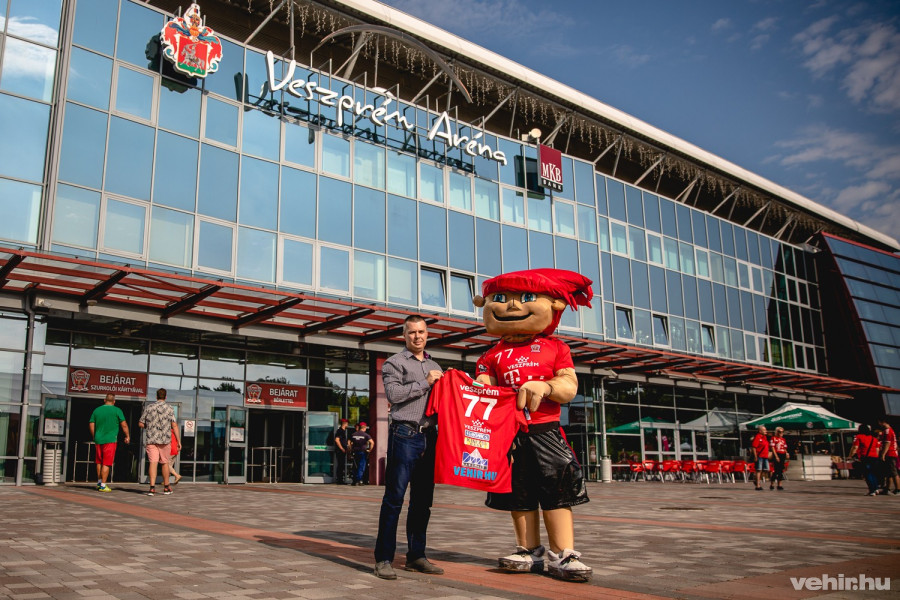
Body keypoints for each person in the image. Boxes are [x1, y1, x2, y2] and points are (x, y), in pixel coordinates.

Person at [472, 269, 593, 582]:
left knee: (557, 491)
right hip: (510, 434)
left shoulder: (556, 348)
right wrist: (475, 386)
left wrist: (547, 386)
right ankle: (528, 550)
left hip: (545, 430)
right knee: (518, 492)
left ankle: (564, 553)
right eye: (501, 298)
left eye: (526, 297)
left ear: (554, 305)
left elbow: (569, 385)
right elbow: (484, 388)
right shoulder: (491, 355)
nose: (512, 305)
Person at [373, 315, 444, 580]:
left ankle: (416, 556)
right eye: (412, 332)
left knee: (423, 502)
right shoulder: (395, 363)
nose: (417, 336)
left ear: (427, 334)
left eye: (421, 332)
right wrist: (426, 382)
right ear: (404, 335)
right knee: (394, 499)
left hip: (430, 436)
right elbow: (394, 396)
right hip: (404, 434)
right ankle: (383, 559)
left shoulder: (435, 365)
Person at [138, 388, 180, 496]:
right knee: (165, 463)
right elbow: (174, 425)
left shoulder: (149, 407)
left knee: (153, 463)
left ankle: (152, 488)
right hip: (165, 440)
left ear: (156, 397)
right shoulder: (170, 408)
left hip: (151, 440)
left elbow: (140, 423)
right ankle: (166, 487)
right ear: (165, 397)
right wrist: (178, 441)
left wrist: (149, 426)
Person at [88, 393, 130, 492]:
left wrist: (94, 436)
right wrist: (127, 436)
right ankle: (103, 485)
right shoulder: (117, 410)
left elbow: (91, 424)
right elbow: (124, 425)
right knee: (106, 462)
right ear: (114, 401)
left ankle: (99, 482)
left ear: (104, 400)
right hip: (110, 440)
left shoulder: (97, 410)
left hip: (98, 439)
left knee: (99, 461)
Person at [849, 424, 882, 496]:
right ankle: (876, 489)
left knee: (867, 474)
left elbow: (855, 447)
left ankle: (872, 490)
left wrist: (850, 455)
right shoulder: (874, 438)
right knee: (873, 473)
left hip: (865, 457)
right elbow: (877, 449)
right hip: (874, 457)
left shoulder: (859, 437)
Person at [877, 418, 899, 495]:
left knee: (893, 472)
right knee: (889, 472)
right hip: (891, 453)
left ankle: (898, 489)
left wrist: (883, 454)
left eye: (879, 422)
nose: (879, 424)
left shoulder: (887, 431)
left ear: (883, 422)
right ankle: (887, 488)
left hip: (890, 453)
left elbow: (887, 444)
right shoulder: (889, 431)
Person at [750, 425, 770, 491]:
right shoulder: (757, 437)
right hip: (759, 456)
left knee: (766, 469)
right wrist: (755, 456)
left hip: (765, 456)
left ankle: (756, 478)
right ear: (760, 431)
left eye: (765, 430)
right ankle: (758, 485)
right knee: (759, 470)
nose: (766, 431)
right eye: (764, 430)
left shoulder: (764, 437)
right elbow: (754, 447)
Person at [769, 426, 788, 491]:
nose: (781, 433)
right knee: (776, 470)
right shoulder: (773, 438)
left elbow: (785, 447)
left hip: (782, 454)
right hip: (777, 454)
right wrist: (776, 456)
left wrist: (786, 453)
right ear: (776, 432)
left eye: (782, 432)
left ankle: (779, 484)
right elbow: (772, 447)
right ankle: (772, 483)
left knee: (781, 470)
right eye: (779, 432)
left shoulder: (783, 439)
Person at [333, 418, 350, 484]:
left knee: (341, 465)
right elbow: (337, 440)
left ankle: (340, 479)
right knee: (340, 465)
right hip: (340, 451)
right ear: (345, 424)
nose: (348, 425)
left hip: (341, 450)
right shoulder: (340, 431)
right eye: (347, 423)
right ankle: (340, 480)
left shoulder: (342, 431)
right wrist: (342, 448)